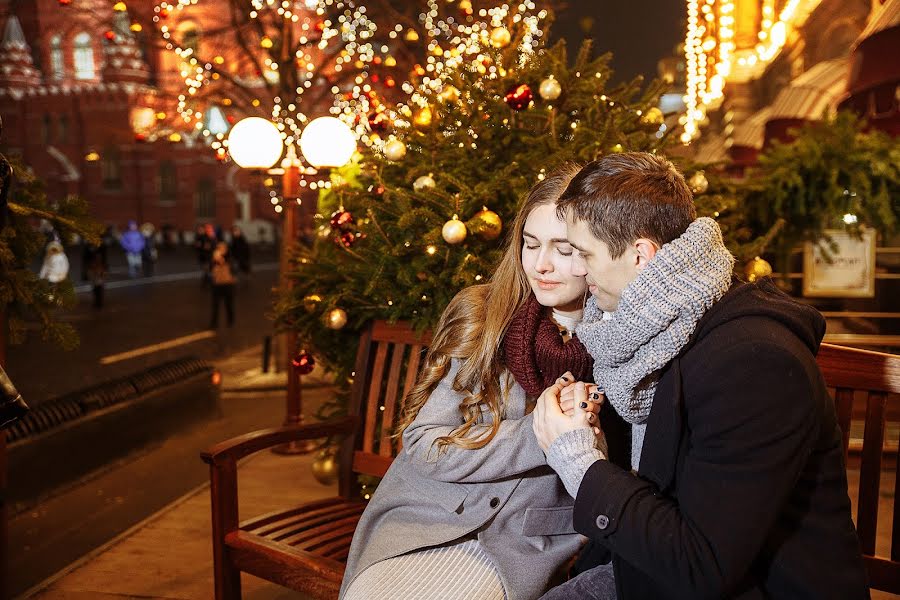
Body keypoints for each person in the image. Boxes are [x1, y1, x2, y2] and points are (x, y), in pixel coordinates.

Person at [532, 152, 869, 599]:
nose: (575, 270)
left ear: (641, 255)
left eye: (583, 254)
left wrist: (577, 459)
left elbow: (700, 566)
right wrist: (594, 438)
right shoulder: (651, 335)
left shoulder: (756, 364)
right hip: (646, 571)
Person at [340, 164, 611, 600]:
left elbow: (613, 483)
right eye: (530, 244)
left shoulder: (620, 344)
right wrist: (543, 432)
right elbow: (424, 444)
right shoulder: (486, 317)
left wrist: (583, 440)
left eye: (564, 249)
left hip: (522, 544)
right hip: (425, 520)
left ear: (600, 251)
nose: (540, 265)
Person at [209, 241, 235, 328]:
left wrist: (221, 259)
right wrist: (214, 260)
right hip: (217, 285)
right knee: (215, 305)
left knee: (229, 305)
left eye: (222, 248)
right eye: (219, 248)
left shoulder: (228, 259)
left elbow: (233, 269)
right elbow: (211, 269)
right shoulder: (214, 259)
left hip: (227, 285)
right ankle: (214, 323)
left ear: (226, 249)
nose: (220, 250)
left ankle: (230, 321)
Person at [82, 230, 109, 309]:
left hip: (99, 268)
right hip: (92, 269)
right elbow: (85, 258)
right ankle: (97, 300)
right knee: (94, 286)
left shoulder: (101, 245)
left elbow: (104, 257)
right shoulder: (88, 246)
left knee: (99, 285)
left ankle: (99, 301)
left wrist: (104, 268)